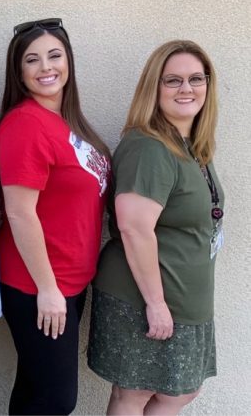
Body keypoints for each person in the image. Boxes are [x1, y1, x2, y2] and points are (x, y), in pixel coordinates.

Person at [88, 40, 222, 415]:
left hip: (183, 299)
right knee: (135, 393)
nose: (186, 88)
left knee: (178, 393)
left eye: (196, 78)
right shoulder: (150, 147)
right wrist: (157, 304)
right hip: (146, 298)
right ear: (154, 87)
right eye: (173, 80)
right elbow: (133, 229)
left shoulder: (191, 145)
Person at [0, 18, 111, 415]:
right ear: (19, 72)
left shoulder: (65, 122)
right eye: (33, 60)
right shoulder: (25, 125)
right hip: (38, 285)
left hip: (69, 282)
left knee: (35, 393)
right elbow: (20, 213)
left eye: (55, 55)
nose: (46, 67)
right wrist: (48, 289)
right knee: (56, 401)